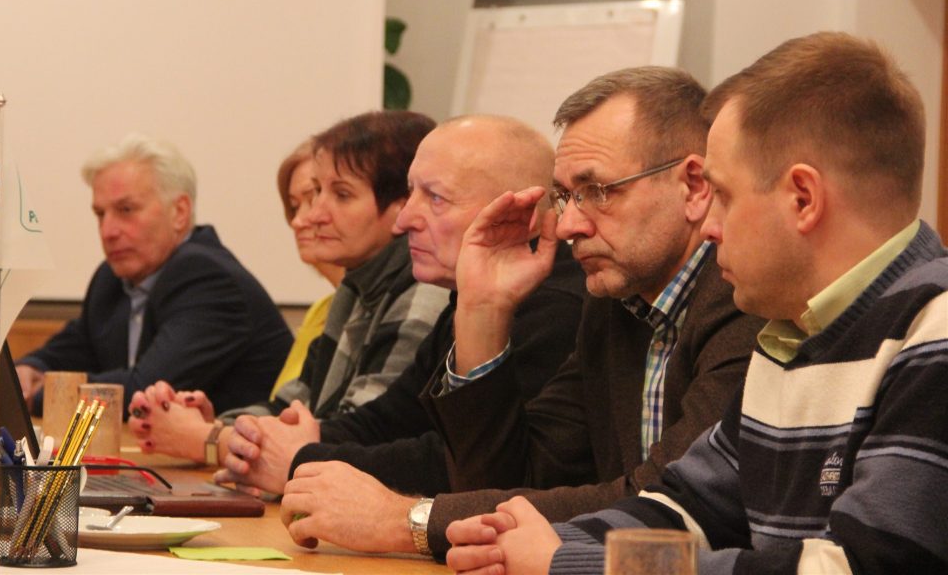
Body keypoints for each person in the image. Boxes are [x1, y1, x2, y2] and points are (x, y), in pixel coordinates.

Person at [445, 32, 948, 575]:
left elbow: (860, 568)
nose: (709, 227)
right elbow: (688, 508)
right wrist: (519, 544)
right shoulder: (793, 333)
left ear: (803, 198)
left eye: (724, 196)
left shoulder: (934, 332)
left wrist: (571, 561)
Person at [279, 70, 763, 560]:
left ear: (693, 186)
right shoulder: (615, 303)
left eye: (597, 190)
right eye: (565, 196)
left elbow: (661, 507)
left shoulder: (745, 303)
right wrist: (482, 311)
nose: (569, 224)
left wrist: (408, 521)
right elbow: (518, 478)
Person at [218, 115, 584, 506]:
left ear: (520, 214)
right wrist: (278, 445)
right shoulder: (462, 298)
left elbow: (470, 469)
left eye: (436, 198)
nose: (404, 219)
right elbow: (393, 419)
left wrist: (300, 460)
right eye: (410, 193)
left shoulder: (558, 309)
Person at [129, 110, 450, 465]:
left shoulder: (423, 292)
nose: (312, 215)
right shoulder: (354, 289)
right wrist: (217, 425)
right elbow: (292, 405)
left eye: (342, 195)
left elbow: (358, 435)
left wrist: (208, 438)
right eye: (316, 194)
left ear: (401, 206)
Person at [15, 133, 293, 415]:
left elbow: (145, 393)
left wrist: (39, 395)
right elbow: (75, 348)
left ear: (179, 212)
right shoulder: (112, 279)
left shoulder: (209, 279)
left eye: (126, 210)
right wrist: (31, 369)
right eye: (100, 214)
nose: (108, 231)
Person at [269, 140, 345, 395]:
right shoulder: (319, 311)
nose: (298, 221)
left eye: (312, 199)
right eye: (294, 206)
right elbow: (283, 405)